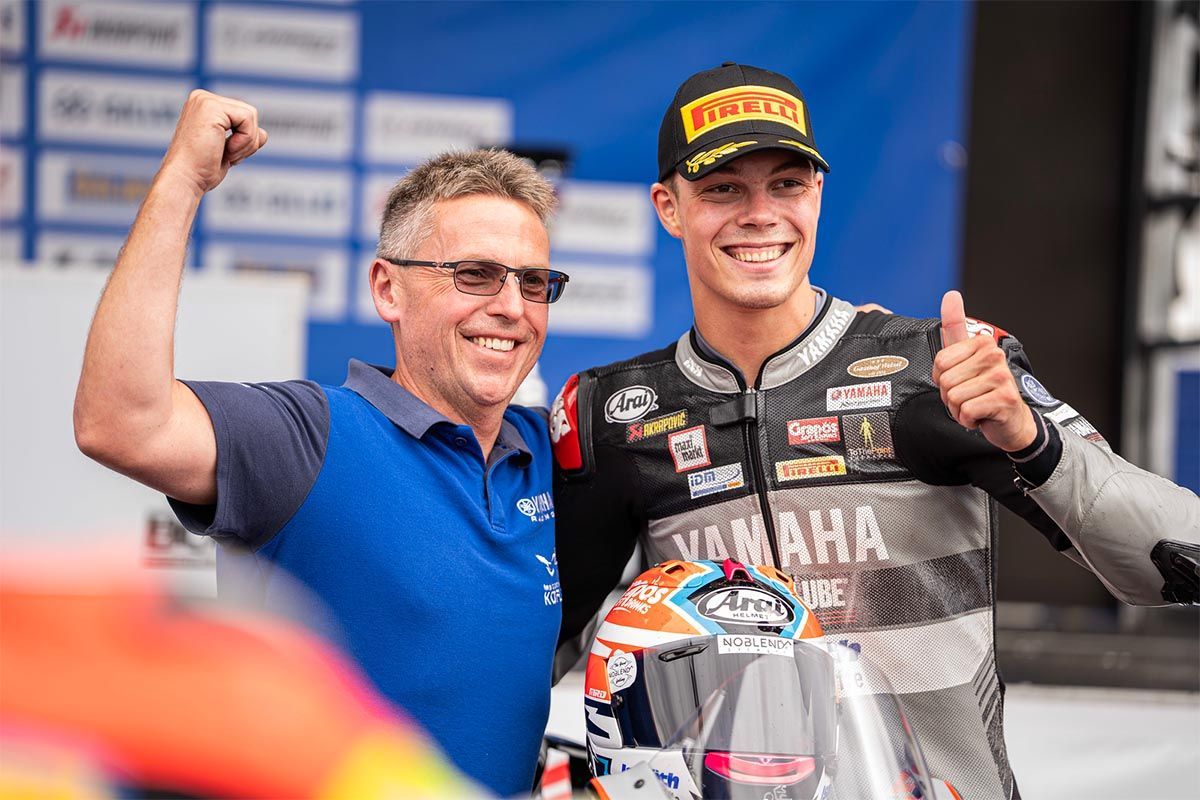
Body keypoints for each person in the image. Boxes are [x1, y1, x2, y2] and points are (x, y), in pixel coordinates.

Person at [550, 63, 1200, 799]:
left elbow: (1175, 563)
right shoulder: (615, 413)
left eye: (787, 184)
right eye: (723, 188)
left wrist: (1032, 440)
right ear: (669, 207)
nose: (760, 213)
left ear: (818, 195)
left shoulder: (938, 365)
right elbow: (527, 653)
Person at [73, 90, 569, 797]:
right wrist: (182, 179)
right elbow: (119, 422)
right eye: (475, 275)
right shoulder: (309, 436)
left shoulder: (550, 453)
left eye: (534, 282)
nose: (512, 307)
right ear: (388, 290)